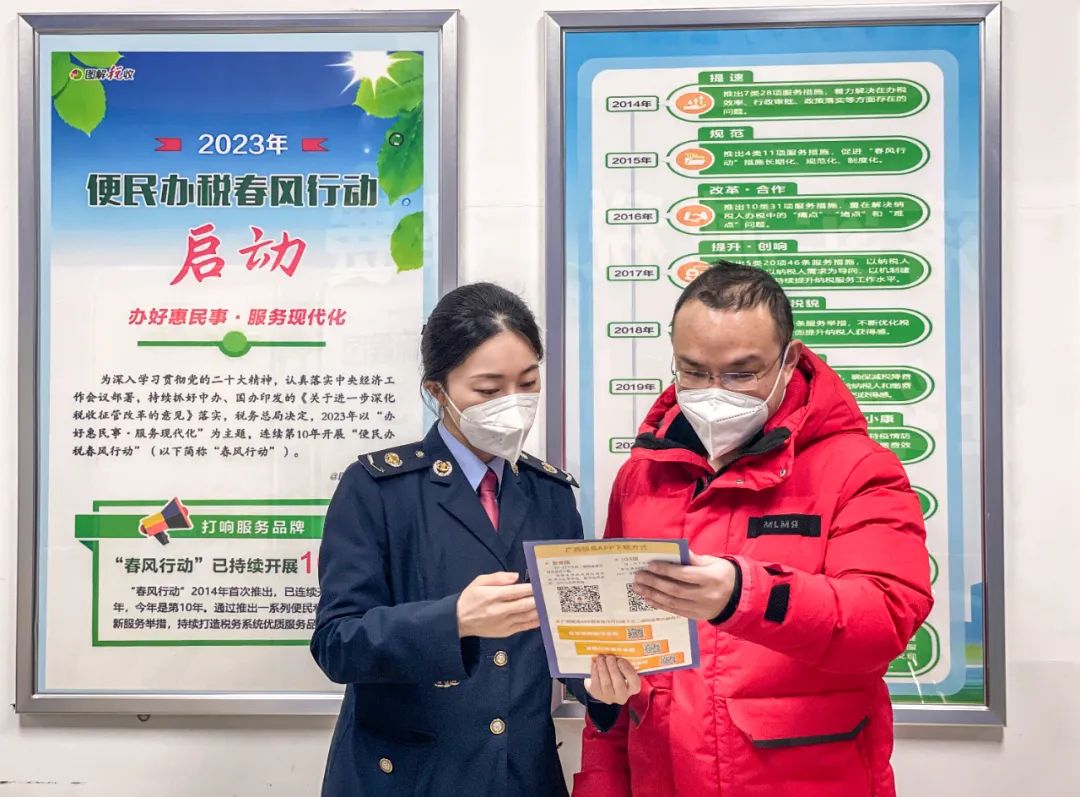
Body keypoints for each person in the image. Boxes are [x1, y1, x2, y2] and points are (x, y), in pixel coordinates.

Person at [573, 263, 933, 797]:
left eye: (742, 374)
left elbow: (884, 619)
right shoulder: (642, 476)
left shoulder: (858, 469)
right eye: (694, 372)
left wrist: (746, 595)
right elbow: (613, 652)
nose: (715, 392)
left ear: (789, 361)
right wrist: (604, 704)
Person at [311, 283, 637, 797]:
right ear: (437, 389)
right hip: (409, 778)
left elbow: (568, 636)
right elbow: (337, 644)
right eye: (487, 390)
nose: (512, 404)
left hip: (522, 777)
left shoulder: (550, 494)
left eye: (527, 383)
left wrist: (598, 684)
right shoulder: (378, 489)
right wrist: (455, 620)